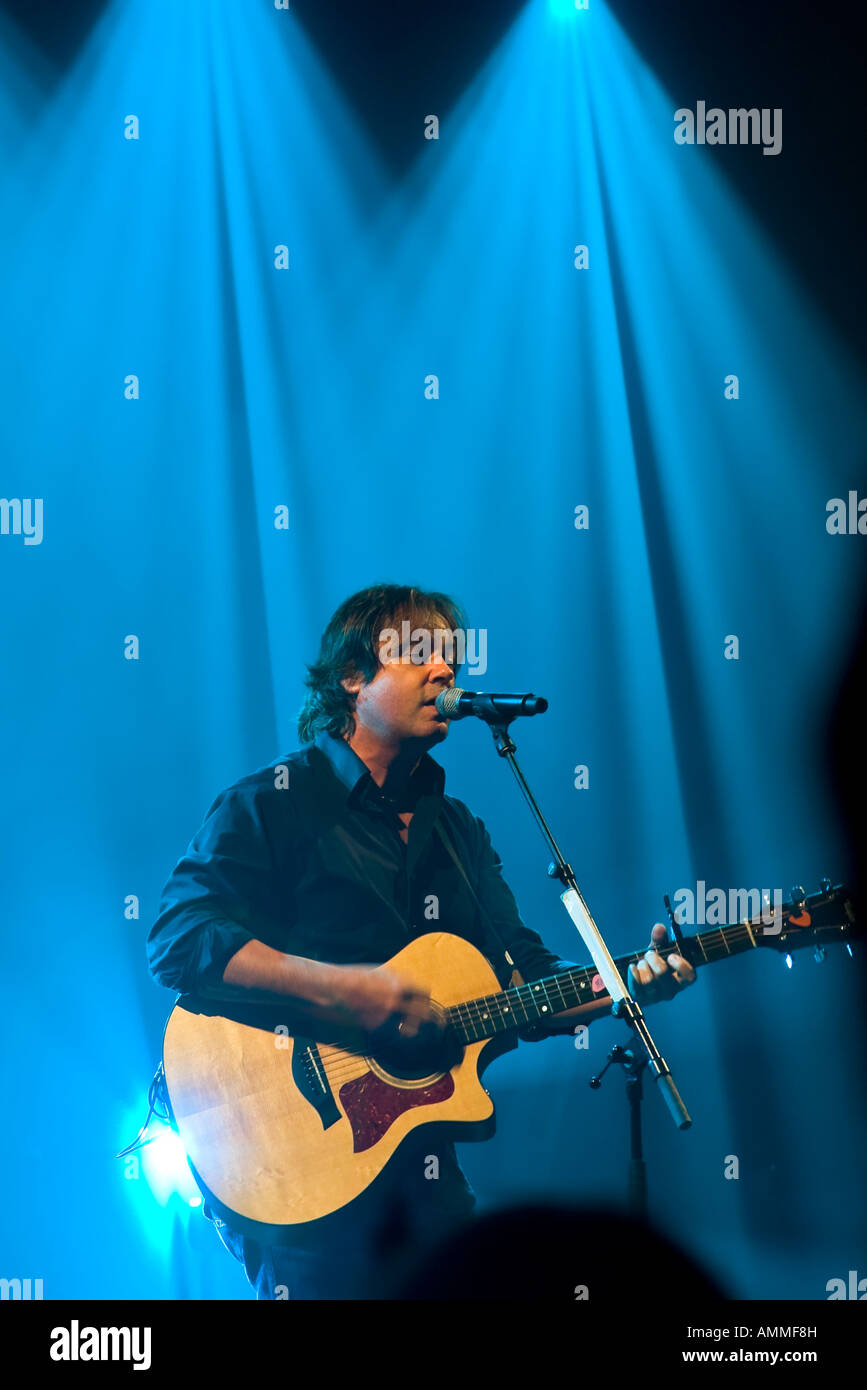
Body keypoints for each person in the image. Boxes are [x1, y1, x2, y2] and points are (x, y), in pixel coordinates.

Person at [146, 583, 696, 1299]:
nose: (445, 671)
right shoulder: (273, 801)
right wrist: (350, 992)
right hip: (290, 1158)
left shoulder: (458, 829)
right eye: (418, 654)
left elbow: (526, 984)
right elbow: (179, 938)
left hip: (419, 1168)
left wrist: (626, 983)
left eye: (452, 658)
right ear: (352, 677)